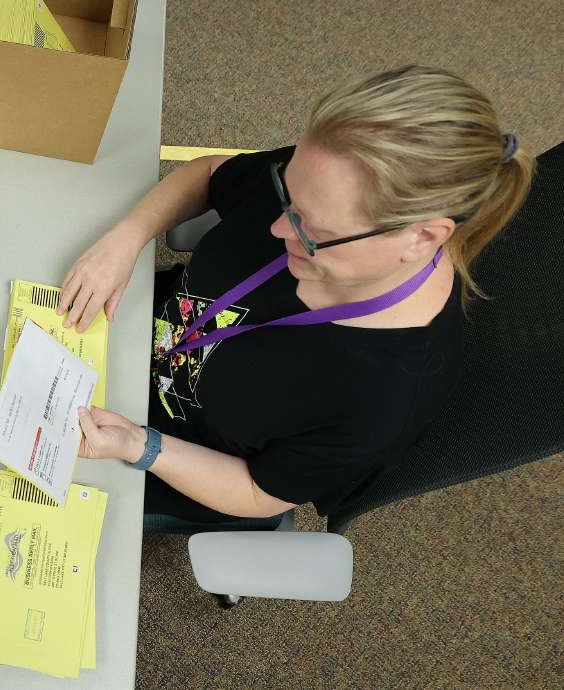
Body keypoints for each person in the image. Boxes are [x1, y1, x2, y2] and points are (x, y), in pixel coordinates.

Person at [56, 66, 533, 522]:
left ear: (421, 239)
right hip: (124, 323)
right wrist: (127, 237)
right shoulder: (326, 179)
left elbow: (260, 493)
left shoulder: (384, 396)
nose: (278, 226)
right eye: (288, 197)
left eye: (311, 229)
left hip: (158, 455)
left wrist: (141, 446)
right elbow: (207, 175)